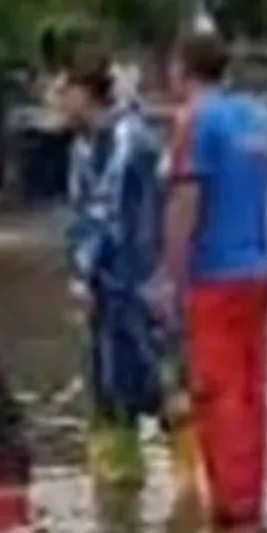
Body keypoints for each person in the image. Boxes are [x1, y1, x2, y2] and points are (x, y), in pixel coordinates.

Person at [164, 32, 267, 527]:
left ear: (182, 68)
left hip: (215, 275)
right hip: (261, 267)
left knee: (218, 389)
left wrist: (169, 276)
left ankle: (232, 509)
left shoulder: (195, 121)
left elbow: (187, 201)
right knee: (252, 386)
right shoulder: (257, 118)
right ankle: (251, 496)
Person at [57, 49, 174, 488]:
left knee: (161, 390)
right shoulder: (86, 144)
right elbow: (82, 217)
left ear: (85, 93)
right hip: (108, 289)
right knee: (109, 394)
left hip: (136, 287)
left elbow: (112, 216)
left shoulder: (129, 141)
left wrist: (86, 271)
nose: (57, 101)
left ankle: (195, 502)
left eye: (63, 91)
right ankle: (119, 503)